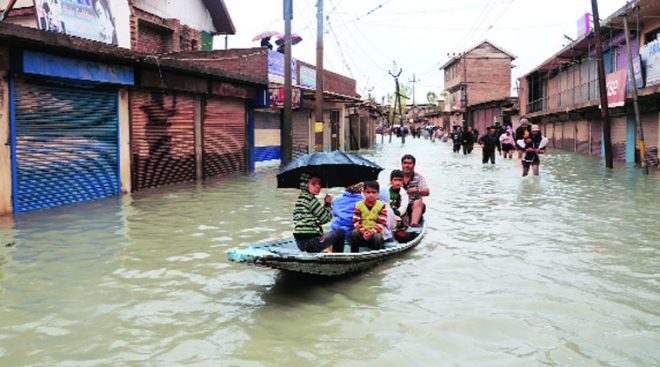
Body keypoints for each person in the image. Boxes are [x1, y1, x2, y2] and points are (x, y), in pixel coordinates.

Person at [293, 173, 345, 253]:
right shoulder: (311, 199)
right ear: (305, 185)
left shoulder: (300, 199)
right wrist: (327, 204)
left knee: (325, 234)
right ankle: (338, 259)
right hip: (312, 243)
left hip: (300, 243)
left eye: (319, 184)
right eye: (313, 183)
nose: (318, 186)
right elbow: (325, 219)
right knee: (341, 232)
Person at [350, 181, 387, 252]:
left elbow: (382, 223)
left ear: (378, 193)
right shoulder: (359, 205)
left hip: (375, 234)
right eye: (368, 192)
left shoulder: (382, 205)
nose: (371, 195)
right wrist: (363, 232)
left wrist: (371, 232)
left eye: (374, 192)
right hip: (362, 233)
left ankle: (375, 256)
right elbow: (356, 221)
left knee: (377, 237)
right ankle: (354, 255)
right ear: (363, 193)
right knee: (354, 233)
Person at [401, 154, 429, 228]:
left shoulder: (419, 178)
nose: (407, 165)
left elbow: (427, 192)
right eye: (405, 163)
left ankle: (413, 224)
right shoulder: (397, 176)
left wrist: (416, 190)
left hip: (412, 206)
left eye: (409, 163)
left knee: (418, 202)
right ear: (402, 164)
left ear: (414, 165)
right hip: (399, 205)